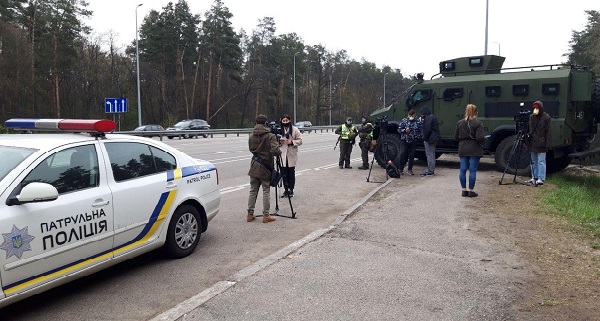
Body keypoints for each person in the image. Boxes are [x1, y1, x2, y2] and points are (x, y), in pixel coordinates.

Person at [247, 114, 281, 223]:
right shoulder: (270, 136)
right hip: (265, 167)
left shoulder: (251, 135)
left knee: (253, 191)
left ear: (256, 123)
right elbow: (275, 151)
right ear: (266, 123)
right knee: (266, 190)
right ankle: (266, 215)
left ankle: (249, 214)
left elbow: (251, 149)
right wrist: (278, 149)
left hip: (254, 165)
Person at [454, 104, 485, 197]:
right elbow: (479, 138)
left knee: (462, 170)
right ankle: (471, 191)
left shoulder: (460, 122)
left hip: (463, 147)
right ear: (476, 112)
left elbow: (456, 136)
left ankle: (464, 190)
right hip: (474, 148)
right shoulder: (478, 123)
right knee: (472, 170)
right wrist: (484, 142)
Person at [526, 100, 552, 186]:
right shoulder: (531, 117)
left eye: (537, 108)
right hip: (533, 142)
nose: (536, 109)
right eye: (535, 108)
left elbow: (548, 132)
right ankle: (534, 177)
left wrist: (547, 144)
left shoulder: (546, 117)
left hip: (542, 143)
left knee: (541, 161)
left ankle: (541, 178)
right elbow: (529, 129)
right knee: (533, 161)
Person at [278, 114, 303, 198]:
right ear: (281, 121)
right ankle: (286, 190)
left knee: (291, 174)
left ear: (289, 120)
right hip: (282, 155)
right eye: (283, 121)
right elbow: (273, 142)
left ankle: (291, 190)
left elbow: (300, 141)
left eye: (287, 120)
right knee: (284, 174)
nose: (285, 122)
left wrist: (292, 142)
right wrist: (279, 142)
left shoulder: (295, 130)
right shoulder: (278, 130)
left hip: (291, 155)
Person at [397, 109, 423, 175]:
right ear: (408, 115)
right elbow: (399, 130)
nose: (411, 116)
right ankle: (400, 169)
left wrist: (416, 137)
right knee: (402, 154)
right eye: (410, 115)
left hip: (413, 141)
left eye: (412, 115)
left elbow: (420, 132)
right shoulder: (404, 121)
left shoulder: (418, 122)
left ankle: (410, 170)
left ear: (415, 115)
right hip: (404, 140)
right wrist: (404, 130)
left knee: (411, 155)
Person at [420, 107, 441, 176]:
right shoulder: (432, 117)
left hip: (430, 138)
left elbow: (427, 129)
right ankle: (431, 169)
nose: (421, 115)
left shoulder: (428, 118)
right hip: (434, 138)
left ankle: (430, 170)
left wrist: (425, 138)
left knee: (429, 154)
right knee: (432, 154)